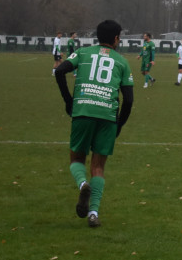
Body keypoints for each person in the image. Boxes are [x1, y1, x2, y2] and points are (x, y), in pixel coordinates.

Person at [54, 19, 134, 228]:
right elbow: (129, 100)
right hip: (107, 115)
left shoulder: (83, 53)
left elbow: (60, 71)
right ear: (116, 39)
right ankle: (93, 213)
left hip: (83, 111)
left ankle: (82, 184)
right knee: (98, 167)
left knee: (76, 159)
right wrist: (119, 125)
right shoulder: (122, 62)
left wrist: (69, 101)